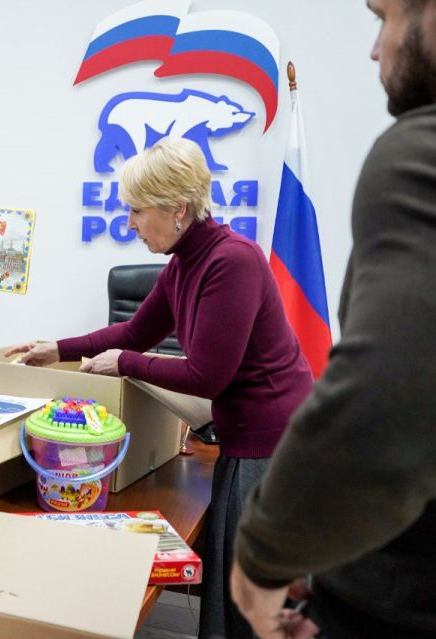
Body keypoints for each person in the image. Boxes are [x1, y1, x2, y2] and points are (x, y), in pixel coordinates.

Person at [5, 136, 313, 639]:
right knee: (231, 585)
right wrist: (57, 347)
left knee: (255, 597)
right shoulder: (185, 264)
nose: (129, 223)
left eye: (135, 210)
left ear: (177, 209)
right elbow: (132, 332)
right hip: (245, 436)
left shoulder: (232, 260)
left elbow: (208, 376)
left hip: (272, 445)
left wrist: (126, 363)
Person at [231, 1, 436, 637]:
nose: (376, 49)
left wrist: (266, 554)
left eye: (386, 19)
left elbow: (387, 402)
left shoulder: (417, 153)